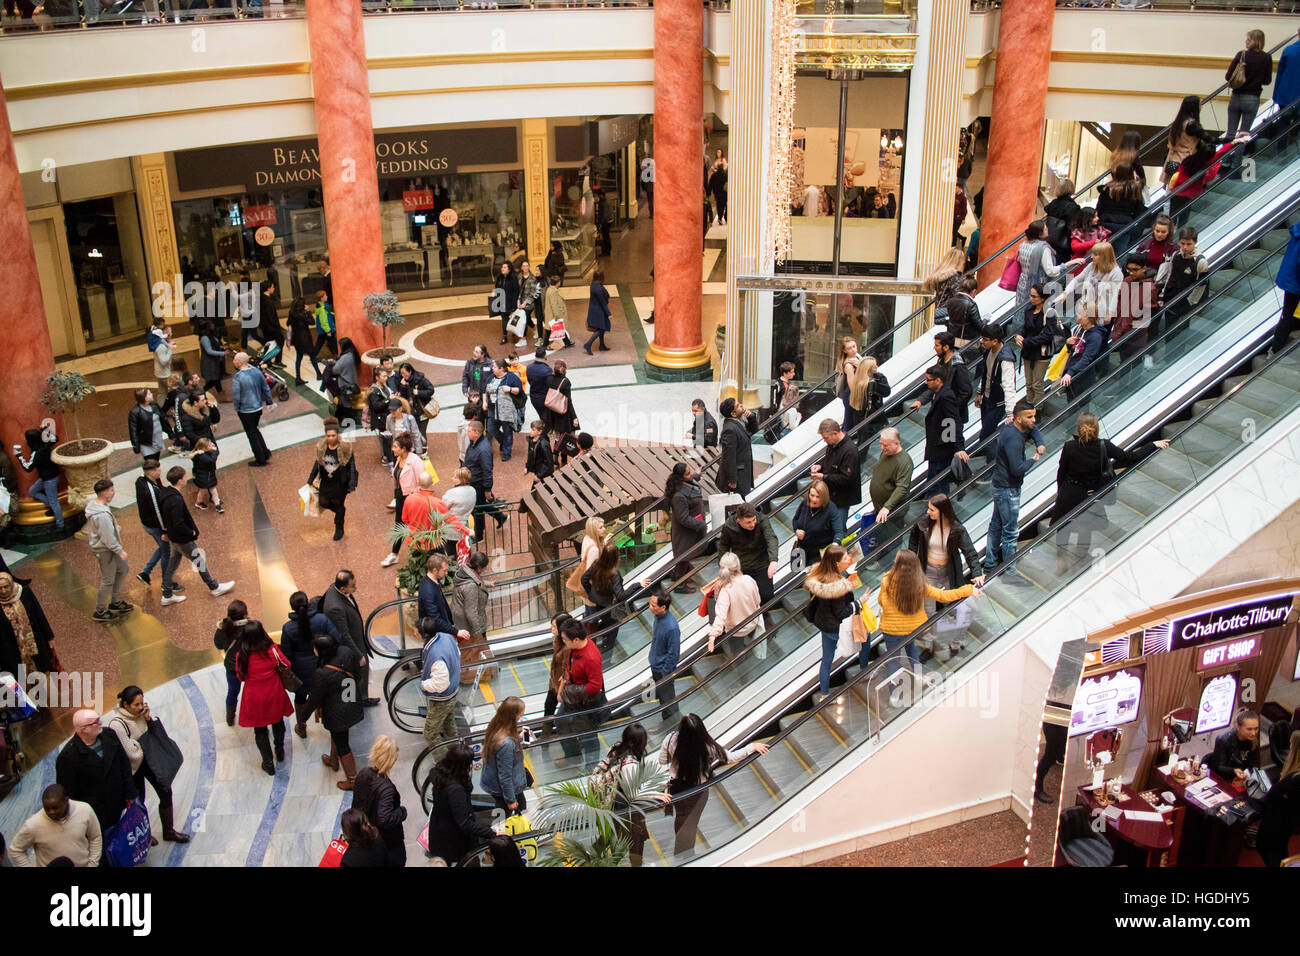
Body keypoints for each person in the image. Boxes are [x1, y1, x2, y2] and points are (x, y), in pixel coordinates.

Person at [1050, 411, 1168, 566]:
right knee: (1086, 527)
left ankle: (1061, 559)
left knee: (1064, 525)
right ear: (1096, 428)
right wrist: (1152, 445)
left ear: (1078, 428)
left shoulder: (1069, 446)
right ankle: (1080, 559)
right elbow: (1128, 458)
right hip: (1089, 495)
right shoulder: (1103, 446)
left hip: (1069, 492)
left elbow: (1061, 472)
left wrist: (1061, 492)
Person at [659, 714, 768, 859]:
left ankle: (682, 853)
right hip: (698, 789)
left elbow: (662, 761)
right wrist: (751, 747)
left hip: (677, 787)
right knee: (690, 822)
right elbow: (730, 757)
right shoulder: (707, 746)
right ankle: (685, 856)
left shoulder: (671, 739)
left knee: (682, 817)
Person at [106, 685, 189, 844]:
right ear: (125, 705)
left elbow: (153, 734)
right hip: (134, 768)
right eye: (136, 705)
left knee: (165, 790)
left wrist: (148, 718)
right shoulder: (117, 724)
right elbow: (131, 753)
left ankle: (169, 831)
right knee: (139, 802)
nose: (140, 707)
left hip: (149, 761)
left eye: (141, 703)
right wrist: (143, 745)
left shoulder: (141, 714)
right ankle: (144, 835)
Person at [877, 549, 975, 679]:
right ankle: (920, 679)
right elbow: (943, 595)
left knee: (893, 661)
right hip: (912, 629)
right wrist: (968, 589)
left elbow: (881, 601)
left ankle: (893, 691)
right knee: (913, 653)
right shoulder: (919, 584)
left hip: (892, 630)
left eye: (897, 559)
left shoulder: (887, 581)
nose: (894, 560)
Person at [295, 631, 364, 789]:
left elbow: (313, 700)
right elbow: (358, 674)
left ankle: (352, 780)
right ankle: (333, 761)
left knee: (343, 744)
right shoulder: (346, 652)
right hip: (351, 701)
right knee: (338, 735)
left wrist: (302, 718)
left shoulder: (322, 673)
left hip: (336, 713)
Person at [908, 494, 985, 631]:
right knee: (928, 607)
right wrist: (912, 559)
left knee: (955, 603)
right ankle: (929, 637)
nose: (928, 512)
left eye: (932, 510)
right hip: (928, 571)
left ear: (942, 511)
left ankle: (956, 635)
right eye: (928, 509)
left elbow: (970, 552)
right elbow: (913, 540)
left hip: (949, 572)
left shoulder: (956, 529)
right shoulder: (922, 524)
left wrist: (977, 573)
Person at [56, 709, 135, 843]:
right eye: (95, 722)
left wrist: (130, 793)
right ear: (83, 729)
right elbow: (68, 793)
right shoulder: (67, 758)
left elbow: (124, 764)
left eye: (99, 718)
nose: (101, 723)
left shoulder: (109, 734)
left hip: (119, 801)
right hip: (97, 813)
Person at [158, 466, 235, 600]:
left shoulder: (166, 494)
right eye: (184, 476)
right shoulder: (176, 499)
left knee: (173, 562)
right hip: (182, 538)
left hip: (173, 537)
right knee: (199, 560)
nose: (187, 477)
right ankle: (214, 587)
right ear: (180, 480)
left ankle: (166, 594)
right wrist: (191, 531)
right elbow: (178, 522)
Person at [984, 400, 1043, 574]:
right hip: (1008, 489)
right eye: (1029, 417)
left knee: (996, 525)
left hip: (1000, 485)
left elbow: (1034, 429)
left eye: (1034, 416)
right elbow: (1017, 469)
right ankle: (1010, 571)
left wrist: (1039, 442)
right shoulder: (1014, 440)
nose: (1033, 420)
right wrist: (1033, 459)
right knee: (1010, 532)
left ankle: (990, 564)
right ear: (1017, 418)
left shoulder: (1012, 428)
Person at [236, 621, 295, 776]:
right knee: (278, 722)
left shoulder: (241, 655)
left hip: (254, 697)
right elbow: (287, 664)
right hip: (273, 693)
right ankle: (280, 750)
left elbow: (240, 677)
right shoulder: (272, 650)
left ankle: (268, 763)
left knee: (260, 730)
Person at [590, 723, 653, 866]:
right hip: (625, 807)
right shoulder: (630, 763)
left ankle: (590, 856)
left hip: (611, 799)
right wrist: (655, 794)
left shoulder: (617, 747)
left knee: (612, 832)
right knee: (636, 839)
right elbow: (633, 792)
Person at [424, 742, 495, 865]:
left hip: (439, 830)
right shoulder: (455, 790)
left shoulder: (438, 773)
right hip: (452, 838)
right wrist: (492, 833)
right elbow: (465, 823)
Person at [805, 544, 859, 694]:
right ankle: (865, 670)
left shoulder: (820, 576)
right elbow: (841, 611)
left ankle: (824, 694)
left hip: (824, 625)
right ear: (836, 563)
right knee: (865, 639)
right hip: (837, 627)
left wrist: (846, 573)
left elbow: (833, 583)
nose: (848, 558)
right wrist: (859, 603)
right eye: (845, 557)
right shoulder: (838, 588)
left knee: (827, 660)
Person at [6, 784, 101, 867]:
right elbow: (15, 850)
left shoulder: (85, 810)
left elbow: (95, 837)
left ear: (66, 800)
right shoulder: (33, 824)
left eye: (55, 808)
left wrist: (92, 864)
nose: (51, 812)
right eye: (47, 808)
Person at [322, 569, 378, 707]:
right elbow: (344, 634)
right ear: (342, 588)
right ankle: (358, 702)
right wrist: (358, 655)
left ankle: (361, 698)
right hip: (353, 645)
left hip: (357, 640)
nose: (356, 588)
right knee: (357, 672)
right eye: (353, 586)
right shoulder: (335, 607)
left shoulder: (339, 591)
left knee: (361, 672)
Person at [351, 735, 407, 867]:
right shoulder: (386, 788)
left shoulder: (363, 774)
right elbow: (384, 818)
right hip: (387, 842)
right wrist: (401, 812)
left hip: (365, 835)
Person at [556, 617, 605, 764]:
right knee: (560, 721)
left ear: (576, 639)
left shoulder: (590, 657)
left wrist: (569, 692)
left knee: (587, 734)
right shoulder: (575, 648)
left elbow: (595, 686)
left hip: (584, 701)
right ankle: (573, 756)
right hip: (574, 695)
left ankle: (591, 766)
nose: (563, 641)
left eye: (565, 639)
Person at [280, 590, 338, 715]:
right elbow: (336, 638)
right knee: (324, 694)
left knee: (300, 697)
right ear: (308, 603)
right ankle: (326, 718)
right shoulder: (321, 619)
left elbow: (287, 654)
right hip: (323, 665)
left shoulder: (288, 628)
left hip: (299, 671)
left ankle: (301, 725)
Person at [718, 501, 779, 618]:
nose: (752, 524)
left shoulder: (762, 520)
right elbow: (723, 546)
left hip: (761, 564)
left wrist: (773, 560)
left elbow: (771, 538)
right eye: (748, 522)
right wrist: (722, 566)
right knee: (744, 598)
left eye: (753, 520)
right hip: (742, 568)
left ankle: (764, 619)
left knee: (766, 596)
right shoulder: (729, 526)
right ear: (739, 521)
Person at [85, 479, 132, 625]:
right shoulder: (101, 515)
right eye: (111, 490)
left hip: (109, 549)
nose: (114, 492)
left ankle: (116, 601)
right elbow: (107, 537)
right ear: (104, 493)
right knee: (108, 580)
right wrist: (119, 551)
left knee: (123, 569)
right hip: (106, 551)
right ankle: (100, 610)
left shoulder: (100, 506)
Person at [808, 418, 862, 546]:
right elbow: (830, 460)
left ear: (835, 433)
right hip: (831, 496)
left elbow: (846, 479)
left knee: (838, 531)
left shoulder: (850, 451)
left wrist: (824, 477)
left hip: (841, 499)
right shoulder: (832, 445)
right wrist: (820, 465)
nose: (824, 440)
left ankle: (840, 557)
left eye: (826, 437)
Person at [867, 426, 913, 565]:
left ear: (896, 443)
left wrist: (887, 507)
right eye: (881, 444)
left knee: (891, 542)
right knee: (881, 538)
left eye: (885, 445)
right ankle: (882, 563)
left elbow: (902, 488)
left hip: (892, 513)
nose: (882, 448)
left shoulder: (904, 462)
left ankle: (891, 567)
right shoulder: (886, 453)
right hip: (880, 509)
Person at [418, 615, 463, 755]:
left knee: (430, 734)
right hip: (453, 691)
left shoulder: (435, 653)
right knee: (449, 724)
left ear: (423, 634)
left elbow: (441, 684)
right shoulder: (445, 637)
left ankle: (444, 762)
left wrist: (424, 684)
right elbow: (457, 653)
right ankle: (457, 753)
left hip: (442, 698)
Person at [0, 570, 57, 680]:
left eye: (6, 587)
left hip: (35, 643)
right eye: (0, 588)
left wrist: (49, 636)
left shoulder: (24, 592)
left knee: (43, 673)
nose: (3, 591)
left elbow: (38, 613)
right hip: (12, 652)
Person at [920, 364, 967, 497]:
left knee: (937, 484)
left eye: (928, 379)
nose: (926, 382)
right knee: (937, 483)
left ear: (938, 380)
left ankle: (939, 509)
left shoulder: (946, 396)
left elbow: (954, 421)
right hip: (939, 446)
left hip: (942, 448)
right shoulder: (939, 393)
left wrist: (959, 447)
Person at [309, 418, 358, 541]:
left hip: (340, 483)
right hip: (325, 482)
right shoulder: (321, 447)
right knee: (323, 502)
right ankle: (340, 512)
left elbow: (351, 466)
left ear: (337, 435)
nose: (330, 438)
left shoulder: (346, 448)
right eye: (328, 436)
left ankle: (339, 528)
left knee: (338, 503)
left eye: (333, 435)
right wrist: (309, 480)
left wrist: (352, 483)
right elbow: (317, 464)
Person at [972, 323, 1018, 456]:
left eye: (985, 339)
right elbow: (986, 374)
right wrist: (980, 392)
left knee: (986, 436)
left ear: (995, 341)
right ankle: (992, 462)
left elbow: (1009, 386)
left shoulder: (1005, 358)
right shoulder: (988, 351)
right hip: (987, 400)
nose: (982, 341)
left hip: (997, 403)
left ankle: (993, 464)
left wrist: (1010, 413)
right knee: (987, 433)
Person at [1064, 242, 1122, 345]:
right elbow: (1078, 279)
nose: (1092, 257)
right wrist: (1066, 291)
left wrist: (1110, 313)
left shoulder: (1116, 273)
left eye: (1095, 254)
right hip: (1087, 310)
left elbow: (1114, 295)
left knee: (1097, 343)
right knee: (1081, 340)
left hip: (1102, 314)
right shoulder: (1092, 266)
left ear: (1104, 255)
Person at [582, 540, 634, 655]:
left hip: (597, 603)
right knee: (612, 629)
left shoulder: (596, 564)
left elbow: (584, 579)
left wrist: (591, 593)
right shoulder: (614, 574)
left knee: (605, 625)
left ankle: (596, 640)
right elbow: (620, 595)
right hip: (608, 606)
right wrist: (636, 585)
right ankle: (606, 654)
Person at [1257, 729, 1300, 867]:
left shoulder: (1295, 780)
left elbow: (1271, 797)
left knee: (1273, 855)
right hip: (1288, 823)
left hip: (1277, 824)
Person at [909, 331, 973, 423]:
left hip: (951, 417)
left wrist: (951, 407)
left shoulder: (958, 366)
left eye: (937, 345)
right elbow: (936, 386)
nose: (934, 348)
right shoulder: (941, 362)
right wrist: (920, 401)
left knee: (949, 437)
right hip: (941, 412)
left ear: (946, 347)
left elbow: (966, 392)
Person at [403, 471, 470, 558]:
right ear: (432, 483)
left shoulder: (409, 499)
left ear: (418, 483)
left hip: (415, 541)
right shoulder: (437, 503)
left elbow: (405, 519)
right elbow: (451, 520)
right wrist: (467, 531)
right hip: (433, 543)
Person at [706, 552, 761, 658]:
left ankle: (742, 665)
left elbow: (720, 615)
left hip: (736, 631)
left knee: (737, 653)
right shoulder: (749, 579)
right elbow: (757, 601)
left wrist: (713, 636)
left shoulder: (726, 590)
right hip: (752, 622)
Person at [1013, 221, 1079, 309]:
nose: (1047, 229)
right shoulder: (1043, 248)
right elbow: (1050, 271)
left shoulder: (1023, 245)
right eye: (1045, 229)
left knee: (1024, 310)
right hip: (1038, 285)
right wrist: (1067, 264)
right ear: (1040, 234)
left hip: (1023, 283)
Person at [380, 432, 421, 569]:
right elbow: (397, 479)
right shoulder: (399, 459)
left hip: (412, 498)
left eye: (396, 447)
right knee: (399, 525)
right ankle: (394, 554)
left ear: (403, 449)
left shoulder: (415, 461)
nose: (393, 449)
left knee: (413, 526)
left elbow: (423, 482)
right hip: (400, 496)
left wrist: (417, 499)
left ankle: (417, 555)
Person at [481, 696, 530, 813]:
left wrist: (518, 738)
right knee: (517, 815)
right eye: (520, 714)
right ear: (512, 716)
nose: (521, 716)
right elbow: (505, 775)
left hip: (501, 787)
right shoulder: (506, 744)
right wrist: (510, 800)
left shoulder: (495, 727)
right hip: (507, 791)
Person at [1223, 30, 1272, 142]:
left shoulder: (1241, 55)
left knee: (1230, 133)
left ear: (1255, 41)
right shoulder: (1266, 58)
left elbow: (1228, 76)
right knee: (1243, 135)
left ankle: (1224, 157)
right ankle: (1237, 159)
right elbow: (1267, 80)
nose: (1246, 41)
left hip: (1236, 96)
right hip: (1252, 98)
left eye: (1248, 39)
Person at [1017, 284, 1062, 405]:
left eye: (1034, 296)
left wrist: (1026, 341)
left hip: (1042, 352)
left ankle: (1037, 409)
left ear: (1042, 298)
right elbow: (1025, 327)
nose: (1031, 298)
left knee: (1037, 384)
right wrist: (1019, 336)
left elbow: (1047, 336)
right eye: (1030, 295)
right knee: (1029, 383)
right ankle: (1029, 406)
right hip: (1028, 351)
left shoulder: (1049, 312)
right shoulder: (1029, 310)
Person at [666, 462, 707, 589]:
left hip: (693, 531)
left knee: (687, 556)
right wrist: (700, 524)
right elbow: (683, 518)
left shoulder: (683, 484)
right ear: (680, 477)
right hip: (686, 534)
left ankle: (680, 578)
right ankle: (680, 584)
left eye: (690, 472)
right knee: (684, 557)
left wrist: (696, 475)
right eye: (688, 473)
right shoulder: (678, 496)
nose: (690, 475)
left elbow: (690, 481)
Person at [15, 427, 64, 531]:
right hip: (51, 476)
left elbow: (28, 468)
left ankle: (60, 526)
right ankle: (50, 506)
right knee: (33, 491)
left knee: (55, 502)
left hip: (49, 479)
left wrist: (19, 455)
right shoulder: (46, 444)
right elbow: (55, 438)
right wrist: (46, 430)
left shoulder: (36, 453)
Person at [463, 420, 505, 541]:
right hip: (473, 482)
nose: (467, 433)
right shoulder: (474, 443)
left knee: (477, 510)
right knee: (481, 505)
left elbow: (487, 470)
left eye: (469, 431)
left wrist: (487, 489)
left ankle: (479, 535)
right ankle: (500, 517)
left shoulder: (484, 449)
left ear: (476, 433)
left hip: (478, 484)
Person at [230, 351, 274, 467]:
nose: (233, 361)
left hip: (245, 410)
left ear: (239, 362)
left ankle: (260, 459)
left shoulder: (238, 377)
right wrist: (269, 401)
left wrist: (237, 408)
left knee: (251, 434)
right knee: (255, 430)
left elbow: (236, 396)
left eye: (235, 359)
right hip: (258, 407)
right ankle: (265, 452)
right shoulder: (256, 371)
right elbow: (266, 388)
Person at [133, 459, 171, 588]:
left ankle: (146, 572)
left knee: (162, 547)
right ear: (152, 471)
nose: (160, 471)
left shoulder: (140, 481)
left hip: (147, 523)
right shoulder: (152, 491)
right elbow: (158, 512)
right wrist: (165, 531)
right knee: (166, 550)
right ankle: (166, 582)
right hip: (156, 526)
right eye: (158, 469)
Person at [451, 550, 491, 674]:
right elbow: (471, 612)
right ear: (478, 567)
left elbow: (476, 581)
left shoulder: (465, 572)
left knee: (475, 650)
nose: (484, 570)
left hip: (463, 623)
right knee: (471, 653)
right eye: (484, 568)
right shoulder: (470, 586)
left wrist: (488, 583)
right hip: (469, 628)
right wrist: (478, 633)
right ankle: (469, 677)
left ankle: (486, 671)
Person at [1112, 254, 1157, 361]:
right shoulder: (1127, 280)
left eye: (1135, 270)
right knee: (1123, 363)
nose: (1131, 273)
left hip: (1135, 336)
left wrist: (1121, 332)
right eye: (1129, 269)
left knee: (1134, 364)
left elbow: (1144, 314)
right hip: (1121, 330)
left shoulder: (1149, 288)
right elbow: (1118, 304)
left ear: (1144, 268)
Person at [647, 587, 680, 720]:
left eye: (653, 605)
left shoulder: (671, 627)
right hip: (656, 667)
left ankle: (674, 729)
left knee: (669, 703)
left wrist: (665, 673)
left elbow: (674, 655)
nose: (650, 607)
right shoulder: (658, 617)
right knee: (663, 700)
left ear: (663, 607)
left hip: (663, 672)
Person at [1059, 304, 1107, 395]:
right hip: (1071, 372)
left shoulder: (1095, 337)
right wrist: (1069, 344)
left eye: (1080, 313)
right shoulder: (1078, 329)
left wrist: (1070, 372)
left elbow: (1086, 359)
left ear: (1087, 317)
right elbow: (1073, 351)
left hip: (1083, 377)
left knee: (1080, 404)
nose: (1077, 315)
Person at [484, 358, 525, 460]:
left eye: (494, 367)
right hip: (492, 409)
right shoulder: (490, 378)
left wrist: (510, 389)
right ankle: (503, 441)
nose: (492, 368)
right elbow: (484, 391)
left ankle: (506, 453)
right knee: (491, 428)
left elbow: (519, 391)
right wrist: (484, 401)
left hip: (506, 410)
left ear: (501, 368)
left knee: (507, 431)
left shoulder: (511, 378)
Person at [1270, 221, 1300, 355]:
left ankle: (1275, 349)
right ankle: (1276, 349)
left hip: (1290, 278)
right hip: (1296, 281)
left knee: (1287, 314)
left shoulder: (1298, 229)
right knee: (1287, 315)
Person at [1160, 94, 1202, 187]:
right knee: (1182, 188)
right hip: (1185, 160)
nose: (1201, 106)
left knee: (1171, 187)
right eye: (1200, 104)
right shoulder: (1191, 124)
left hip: (1173, 160)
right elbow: (1205, 139)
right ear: (1194, 107)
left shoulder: (1177, 122)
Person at [793, 479, 835, 570]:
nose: (814, 499)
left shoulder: (830, 510)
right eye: (812, 495)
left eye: (818, 496)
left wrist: (835, 544)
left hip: (818, 554)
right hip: (803, 551)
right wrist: (796, 530)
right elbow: (795, 519)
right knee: (800, 574)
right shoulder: (805, 504)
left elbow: (838, 530)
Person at [1208, 709, 1260, 782]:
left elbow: (1255, 764)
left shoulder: (1253, 739)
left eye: (1256, 729)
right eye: (1249, 729)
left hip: (1244, 778)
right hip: (1226, 778)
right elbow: (1217, 767)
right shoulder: (1223, 739)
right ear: (1238, 727)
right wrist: (1233, 771)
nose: (1254, 733)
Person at [1095, 163, 1146, 237]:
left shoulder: (1106, 189)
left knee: (1104, 247)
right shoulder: (1135, 191)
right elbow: (1138, 211)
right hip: (1125, 227)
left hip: (1105, 225)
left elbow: (1099, 208)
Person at [718, 397, 756, 496]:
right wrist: (732, 480)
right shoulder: (729, 429)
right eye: (739, 406)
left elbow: (754, 430)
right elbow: (728, 457)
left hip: (744, 473)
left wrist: (751, 417)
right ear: (733, 413)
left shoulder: (738, 422)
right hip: (738, 477)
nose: (742, 406)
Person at [285, 296, 320, 386]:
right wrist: (308, 312)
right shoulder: (302, 315)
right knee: (312, 356)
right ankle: (319, 374)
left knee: (299, 357)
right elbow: (312, 322)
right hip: (305, 338)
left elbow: (288, 322)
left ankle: (298, 378)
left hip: (296, 338)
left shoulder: (292, 313)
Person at [127, 387, 171, 460]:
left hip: (157, 440)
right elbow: (133, 430)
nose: (152, 394)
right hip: (147, 443)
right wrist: (135, 446)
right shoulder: (135, 412)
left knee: (156, 461)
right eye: (149, 394)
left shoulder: (154, 405)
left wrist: (170, 432)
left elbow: (162, 419)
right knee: (151, 465)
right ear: (144, 397)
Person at [442, 468, 477, 556]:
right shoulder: (472, 490)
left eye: (455, 477)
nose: (452, 478)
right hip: (466, 524)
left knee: (451, 553)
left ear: (461, 480)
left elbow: (442, 508)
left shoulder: (451, 493)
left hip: (451, 527)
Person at [542, 358, 579, 438]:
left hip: (551, 411)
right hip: (562, 412)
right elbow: (568, 401)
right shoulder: (565, 382)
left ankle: (556, 449)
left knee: (557, 436)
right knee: (567, 437)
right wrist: (574, 417)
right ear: (564, 369)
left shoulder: (549, 378)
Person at [1132, 215, 1177, 281]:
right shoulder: (1145, 244)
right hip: (1140, 277)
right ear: (1153, 230)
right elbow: (1135, 261)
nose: (1159, 234)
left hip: (1157, 282)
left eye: (1163, 232)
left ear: (1169, 232)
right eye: (1157, 231)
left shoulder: (1174, 249)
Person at [368, 369, 397, 464]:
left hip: (387, 417)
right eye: (383, 376)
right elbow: (376, 406)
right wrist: (389, 399)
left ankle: (388, 456)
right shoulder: (373, 390)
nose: (386, 378)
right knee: (385, 440)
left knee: (388, 439)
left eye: (386, 376)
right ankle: (387, 458)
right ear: (377, 377)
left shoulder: (385, 387)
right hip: (381, 420)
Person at [188, 437, 222, 514]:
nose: (212, 446)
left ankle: (217, 504)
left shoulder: (200, 454)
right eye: (209, 445)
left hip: (206, 476)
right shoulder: (202, 456)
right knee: (204, 490)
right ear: (204, 448)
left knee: (211, 489)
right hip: (204, 477)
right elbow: (211, 461)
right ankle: (199, 502)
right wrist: (215, 451)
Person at [583, 269, 612, 354]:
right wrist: (609, 313)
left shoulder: (593, 285)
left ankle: (602, 345)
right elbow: (603, 302)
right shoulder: (599, 288)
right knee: (601, 328)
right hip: (598, 311)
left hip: (595, 309)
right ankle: (588, 344)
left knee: (601, 328)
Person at [493, 261, 521, 345]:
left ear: (509, 269)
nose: (502, 269)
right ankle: (504, 336)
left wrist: (514, 305)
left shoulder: (513, 278)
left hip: (511, 302)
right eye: (502, 267)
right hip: (502, 302)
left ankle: (514, 331)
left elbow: (516, 291)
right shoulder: (499, 277)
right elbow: (497, 289)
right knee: (504, 319)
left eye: (505, 267)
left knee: (513, 318)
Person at [197, 319, 228, 396]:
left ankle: (220, 393)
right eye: (211, 325)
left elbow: (214, 345)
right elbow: (209, 351)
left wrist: (221, 347)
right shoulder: (204, 338)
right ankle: (200, 392)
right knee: (214, 380)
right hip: (209, 363)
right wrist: (223, 353)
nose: (213, 326)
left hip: (214, 361)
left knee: (216, 379)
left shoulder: (210, 335)